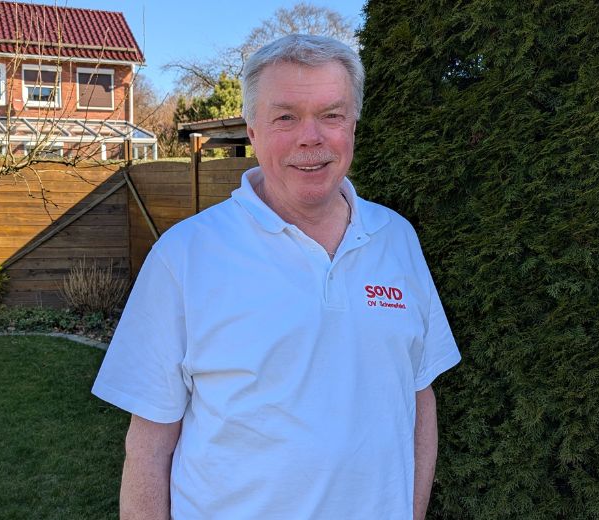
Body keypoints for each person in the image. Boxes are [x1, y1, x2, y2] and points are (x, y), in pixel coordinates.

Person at [92, 34, 461, 520]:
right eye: (286, 117)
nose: (311, 137)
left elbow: (419, 397)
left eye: (332, 114)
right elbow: (148, 447)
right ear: (253, 129)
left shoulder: (396, 238)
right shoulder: (184, 256)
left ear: (353, 124)